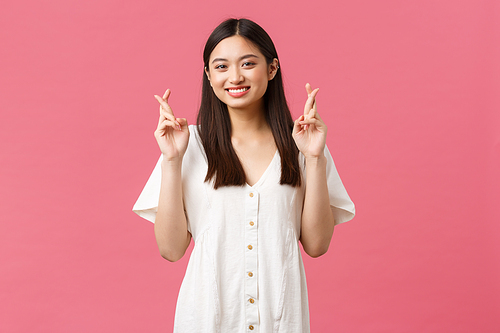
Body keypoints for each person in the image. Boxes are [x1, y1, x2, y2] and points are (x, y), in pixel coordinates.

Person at [133, 18, 355, 333]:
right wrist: (172, 159)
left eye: (248, 63)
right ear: (209, 76)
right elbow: (171, 250)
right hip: (205, 321)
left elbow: (317, 245)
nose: (235, 77)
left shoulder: (303, 144)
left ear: (272, 69)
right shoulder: (187, 146)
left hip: (282, 323)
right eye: (221, 67)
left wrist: (315, 157)